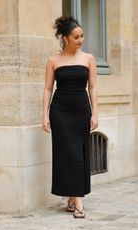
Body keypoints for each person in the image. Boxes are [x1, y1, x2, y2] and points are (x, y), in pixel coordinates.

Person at [42, 15, 98, 218]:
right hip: (60, 111)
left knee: (78, 153)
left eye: (82, 36)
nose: (80, 40)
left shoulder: (88, 59)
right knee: (65, 154)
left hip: (81, 110)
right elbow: (48, 89)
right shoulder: (53, 61)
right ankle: (74, 198)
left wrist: (95, 114)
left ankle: (77, 199)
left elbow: (92, 87)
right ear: (65, 38)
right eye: (76, 37)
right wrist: (45, 115)